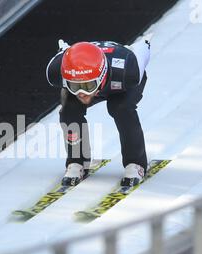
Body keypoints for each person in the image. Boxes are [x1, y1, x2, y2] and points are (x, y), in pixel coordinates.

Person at [46, 37, 151, 188]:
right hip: (100, 78)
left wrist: (143, 43)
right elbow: (65, 54)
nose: (81, 93)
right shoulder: (55, 71)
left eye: (87, 85)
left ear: (102, 76)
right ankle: (77, 161)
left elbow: (142, 50)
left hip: (120, 82)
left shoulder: (129, 71)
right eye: (75, 86)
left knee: (121, 108)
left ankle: (136, 163)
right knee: (69, 111)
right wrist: (83, 87)